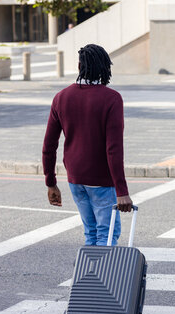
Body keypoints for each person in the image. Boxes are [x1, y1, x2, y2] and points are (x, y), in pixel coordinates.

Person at [42, 44, 133, 247]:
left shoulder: (61, 98)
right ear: (105, 68)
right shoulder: (111, 99)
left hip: (76, 178)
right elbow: (114, 149)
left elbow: (49, 145)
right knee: (106, 234)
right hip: (101, 179)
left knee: (91, 232)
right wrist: (122, 191)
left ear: (78, 66)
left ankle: (90, 275)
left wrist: (51, 182)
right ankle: (102, 277)